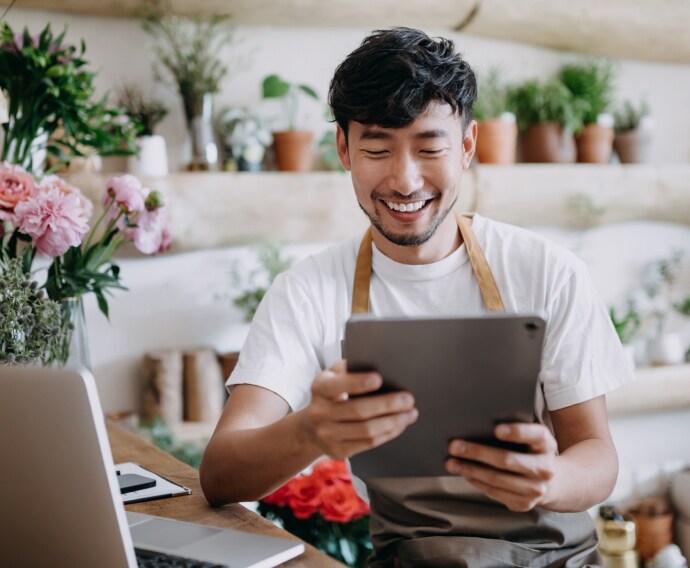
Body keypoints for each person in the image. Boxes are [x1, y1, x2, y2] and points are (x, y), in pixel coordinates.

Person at [200, 27, 634, 567]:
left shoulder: (548, 271)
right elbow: (219, 474)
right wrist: (310, 430)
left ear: (468, 146)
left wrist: (550, 479)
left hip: (554, 558)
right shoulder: (307, 291)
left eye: (430, 148)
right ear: (343, 149)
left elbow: (598, 457)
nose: (404, 181)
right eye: (377, 149)